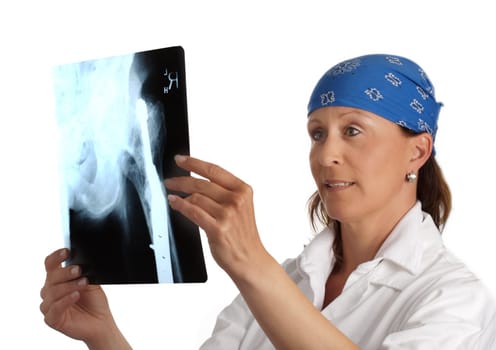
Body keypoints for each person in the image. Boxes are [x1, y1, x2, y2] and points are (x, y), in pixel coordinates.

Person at [40, 54, 496, 349]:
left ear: (418, 151)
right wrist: (103, 338)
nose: (326, 155)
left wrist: (250, 262)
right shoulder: (288, 281)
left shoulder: (454, 298)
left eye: (352, 131)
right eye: (317, 134)